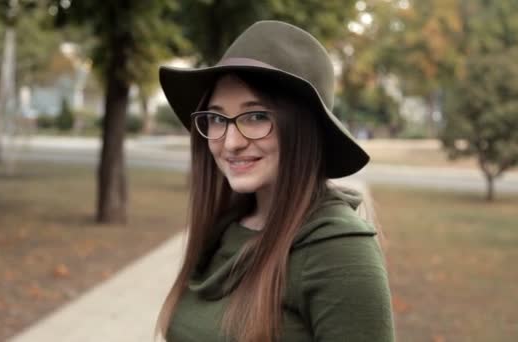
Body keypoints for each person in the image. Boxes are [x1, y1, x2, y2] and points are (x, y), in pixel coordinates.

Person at [156, 20, 394, 342]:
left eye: (256, 116)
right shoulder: (225, 228)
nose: (230, 143)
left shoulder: (338, 251)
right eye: (216, 118)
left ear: (303, 128)